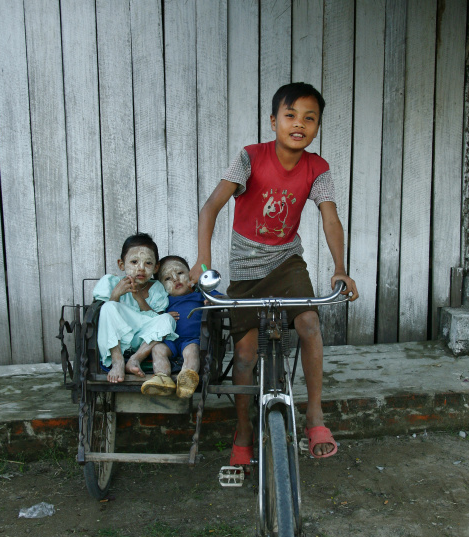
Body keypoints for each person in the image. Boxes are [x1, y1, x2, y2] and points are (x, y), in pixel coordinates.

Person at [189, 81, 359, 462]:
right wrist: (203, 262)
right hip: (246, 272)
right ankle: (244, 432)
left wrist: (340, 269)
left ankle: (314, 415)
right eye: (290, 115)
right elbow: (210, 208)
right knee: (246, 353)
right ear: (273, 120)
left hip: (286, 263)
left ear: (317, 126)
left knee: (310, 325)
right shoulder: (249, 157)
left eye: (309, 118)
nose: (299, 124)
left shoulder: (318, 168)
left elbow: (330, 218)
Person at [93, 233, 177, 391]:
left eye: (148, 263)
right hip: (117, 338)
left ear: (156, 267)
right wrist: (115, 295)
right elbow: (105, 318)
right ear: (121, 264)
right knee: (108, 306)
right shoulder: (110, 282)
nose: (141, 268)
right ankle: (118, 361)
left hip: (143, 339)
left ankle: (134, 359)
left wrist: (139, 298)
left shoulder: (157, 288)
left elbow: (154, 318)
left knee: (167, 319)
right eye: (134, 262)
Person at [143, 255, 217, 399]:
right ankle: (162, 378)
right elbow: (151, 316)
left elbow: (223, 299)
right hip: (170, 340)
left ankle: (187, 379)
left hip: (191, 340)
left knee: (192, 352)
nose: (175, 279)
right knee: (158, 349)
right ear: (161, 285)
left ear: (190, 275)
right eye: (168, 279)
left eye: (180, 273)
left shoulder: (200, 294)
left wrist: (212, 301)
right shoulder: (164, 300)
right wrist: (162, 315)